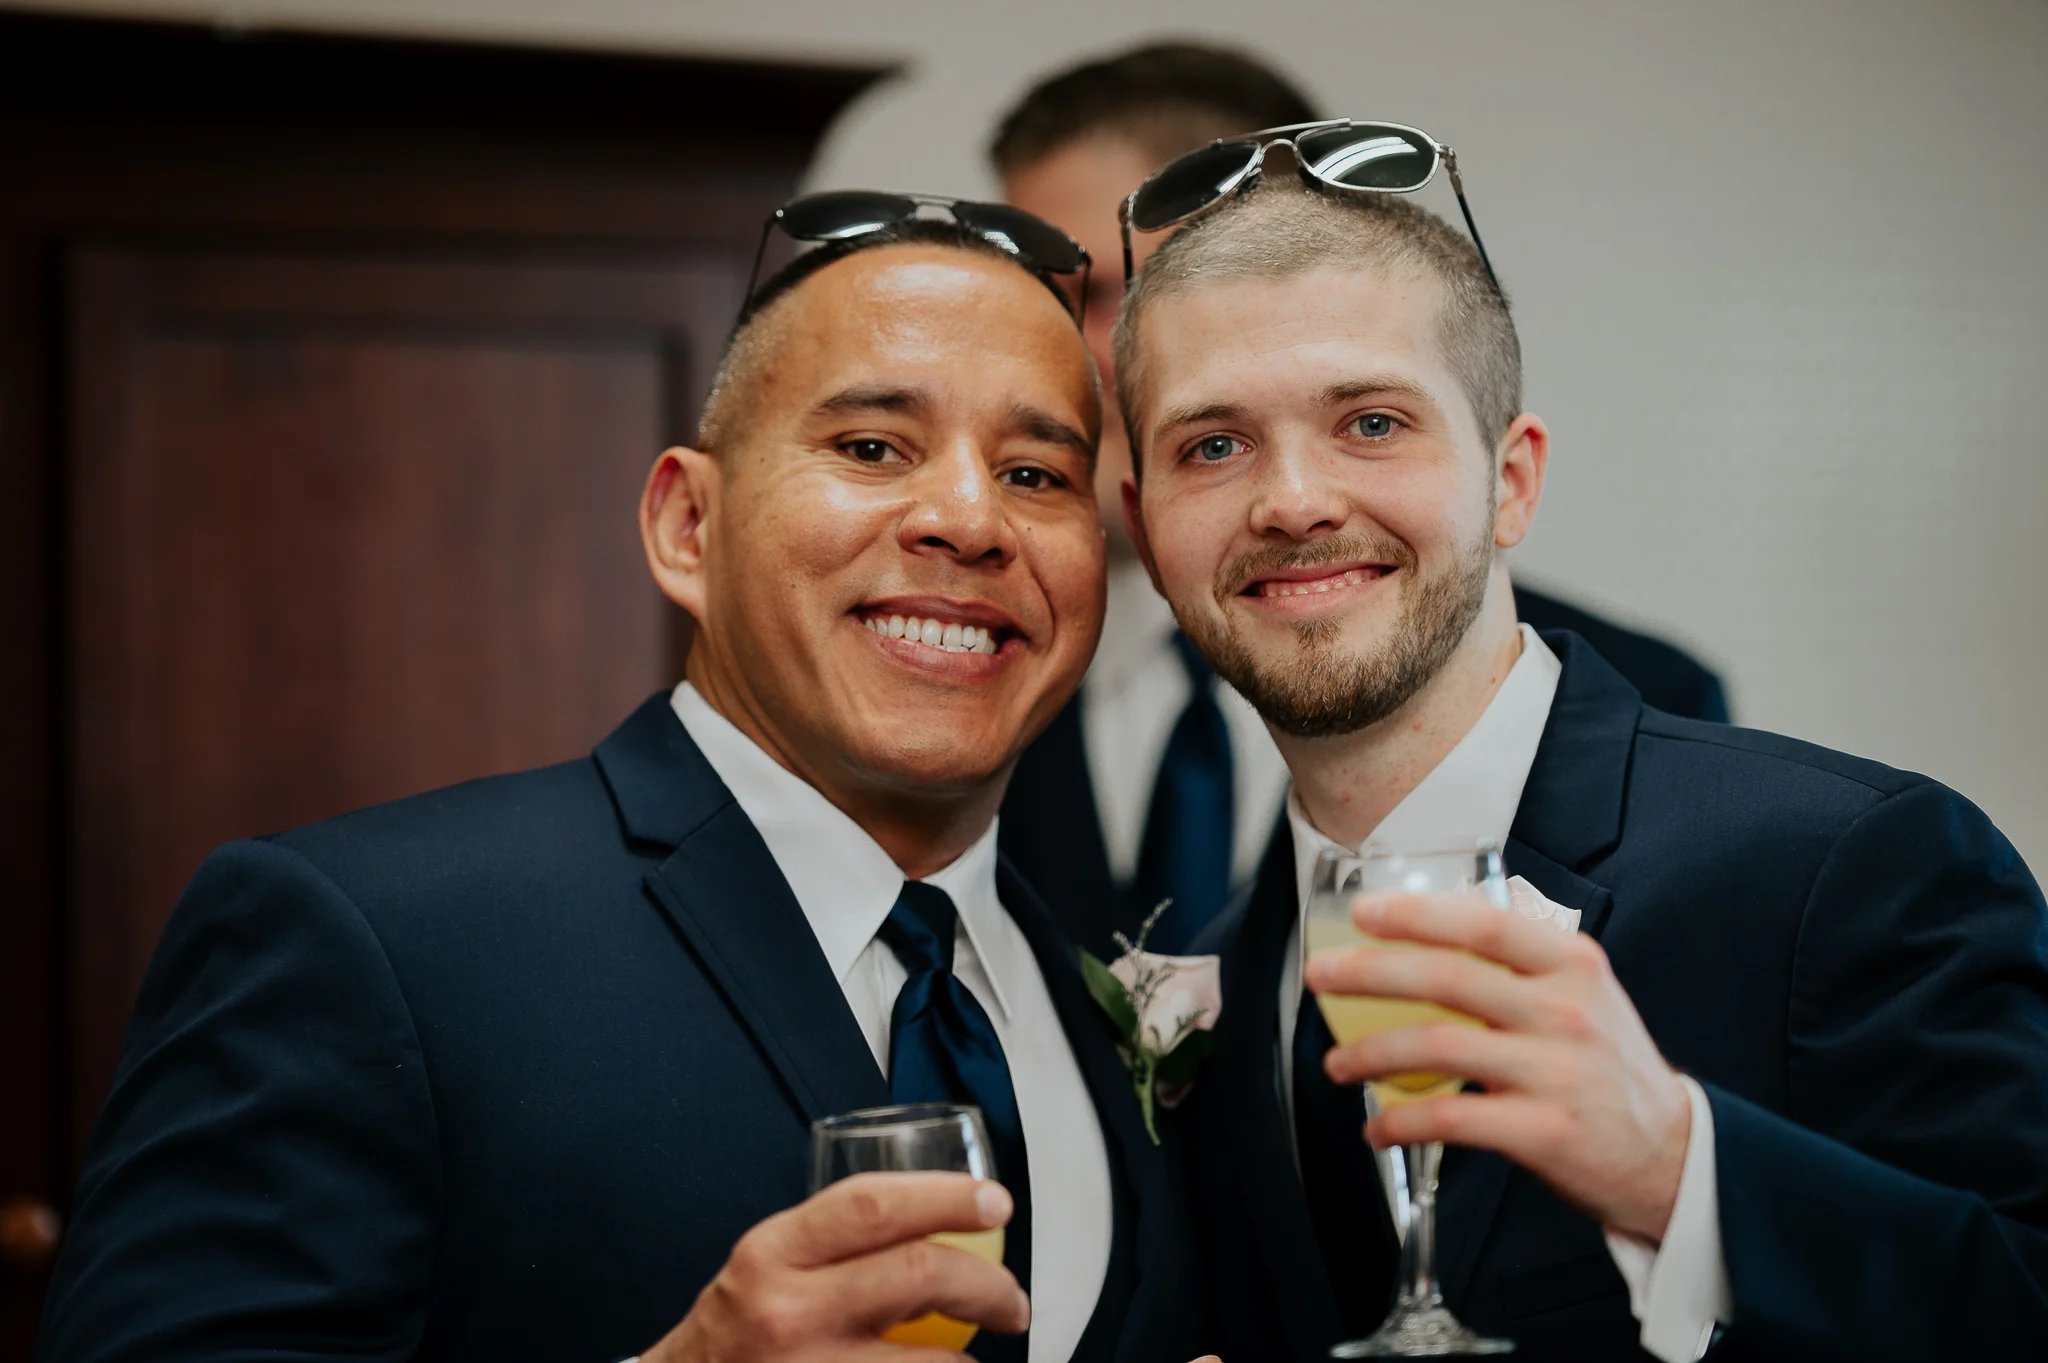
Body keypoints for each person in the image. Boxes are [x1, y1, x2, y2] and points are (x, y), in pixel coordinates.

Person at [37, 209, 1206, 1363]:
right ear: (687, 524)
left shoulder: (1091, 989)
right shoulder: (370, 937)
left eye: (1033, 472)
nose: (968, 520)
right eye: (870, 448)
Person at [1113, 167, 2048, 1360]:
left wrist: (1678, 1170)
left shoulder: (1848, 865)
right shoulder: (1220, 972)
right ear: (1146, 530)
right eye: (1214, 444)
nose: (1292, 501)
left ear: (1510, 481)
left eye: (1371, 423)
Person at [992, 43, 1729, 961]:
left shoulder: (1672, 716)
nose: (1065, 362)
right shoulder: (981, 690)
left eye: (1109, 292)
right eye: (1038, 305)